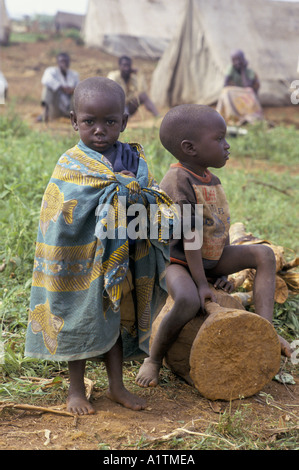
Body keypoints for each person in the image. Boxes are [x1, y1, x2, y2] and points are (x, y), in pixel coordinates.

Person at [25, 76, 174, 415]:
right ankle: (76, 390)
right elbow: (61, 218)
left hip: (120, 260)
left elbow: (147, 201)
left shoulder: (133, 159)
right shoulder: (71, 164)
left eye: (110, 121)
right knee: (77, 319)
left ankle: (117, 386)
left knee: (117, 321)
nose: (99, 130)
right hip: (79, 262)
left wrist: (134, 196)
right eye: (89, 121)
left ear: (123, 121)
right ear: (74, 120)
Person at [136, 104, 292, 389]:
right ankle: (154, 358)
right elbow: (190, 237)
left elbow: (219, 225)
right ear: (190, 148)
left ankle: (266, 330)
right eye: (218, 139)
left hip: (210, 258)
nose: (227, 145)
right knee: (187, 299)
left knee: (264, 254)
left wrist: (219, 270)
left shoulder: (211, 179)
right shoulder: (178, 181)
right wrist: (202, 283)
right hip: (179, 262)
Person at [216, 49, 263, 124]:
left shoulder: (250, 72)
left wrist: (242, 70)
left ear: (243, 60)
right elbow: (225, 84)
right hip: (235, 97)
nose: (237, 62)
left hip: (246, 96)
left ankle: (249, 117)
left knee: (249, 90)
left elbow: (247, 86)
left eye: (239, 59)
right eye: (234, 60)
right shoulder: (231, 68)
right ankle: (232, 117)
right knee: (225, 92)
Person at [38, 52, 79, 122]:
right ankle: (44, 114)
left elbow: (79, 87)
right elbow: (46, 80)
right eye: (62, 61)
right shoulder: (51, 71)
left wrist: (72, 90)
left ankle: (76, 117)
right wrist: (61, 87)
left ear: (69, 62)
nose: (64, 63)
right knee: (48, 88)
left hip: (70, 108)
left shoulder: (74, 74)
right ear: (58, 62)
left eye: (66, 61)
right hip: (56, 108)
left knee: (78, 92)